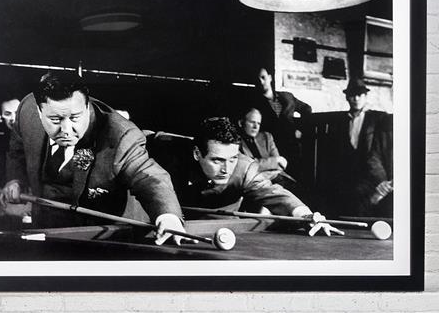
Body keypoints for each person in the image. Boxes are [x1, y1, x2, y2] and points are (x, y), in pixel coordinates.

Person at [0, 71, 185, 241]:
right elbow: (18, 149)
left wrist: (168, 216)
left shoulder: (120, 136)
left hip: (107, 236)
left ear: (88, 108)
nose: (66, 130)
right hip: (48, 227)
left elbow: (147, 176)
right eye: (55, 120)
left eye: (75, 118)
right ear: (40, 112)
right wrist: (16, 179)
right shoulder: (27, 111)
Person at [167, 117, 338, 235]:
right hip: (170, 224)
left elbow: (274, 194)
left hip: (221, 229)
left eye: (232, 159)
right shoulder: (171, 158)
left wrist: (307, 216)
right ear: (197, 154)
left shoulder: (244, 167)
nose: (227, 169)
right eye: (217, 160)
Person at [325, 79, 393, 218]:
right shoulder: (342, 121)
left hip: (372, 174)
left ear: (365, 97)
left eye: (360, 95)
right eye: (352, 95)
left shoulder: (377, 118)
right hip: (350, 174)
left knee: (360, 195)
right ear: (347, 98)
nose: (356, 99)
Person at [237, 105, 287, 179]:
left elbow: (279, 165)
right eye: (252, 122)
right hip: (254, 183)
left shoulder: (266, 137)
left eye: (258, 123)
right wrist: (273, 162)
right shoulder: (235, 143)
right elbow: (247, 168)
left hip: (277, 177)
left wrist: (269, 164)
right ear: (241, 123)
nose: (255, 127)